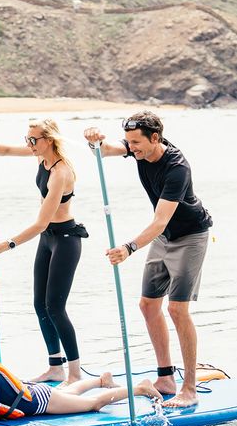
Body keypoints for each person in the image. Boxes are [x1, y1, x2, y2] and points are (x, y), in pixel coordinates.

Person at [83, 111, 212, 408]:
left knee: (177, 309)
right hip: (163, 237)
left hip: (190, 237)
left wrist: (129, 248)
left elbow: (160, 220)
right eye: (129, 142)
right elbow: (105, 150)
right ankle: (165, 377)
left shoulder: (177, 167)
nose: (132, 148)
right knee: (148, 305)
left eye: (136, 143)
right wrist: (94, 141)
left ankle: (189, 388)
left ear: (155, 138)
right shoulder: (139, 146)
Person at [0, 119, 89, 384]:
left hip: (66, 240)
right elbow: (7, 151)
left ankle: (75, 373)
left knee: (55, 307)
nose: (29, 144)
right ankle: (55, 367)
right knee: (39, 304)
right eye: (28, 139)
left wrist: (7, 244)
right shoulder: (41, 157)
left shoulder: (61, 173)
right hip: (48, 239)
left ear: (49, 140)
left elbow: (41, 222)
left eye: (33, 140)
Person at [0, 332, 162, 425]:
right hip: (38, 394)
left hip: (42, 401)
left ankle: (140, 388)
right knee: (70, 393)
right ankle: (101, 380)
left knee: (93, 404)